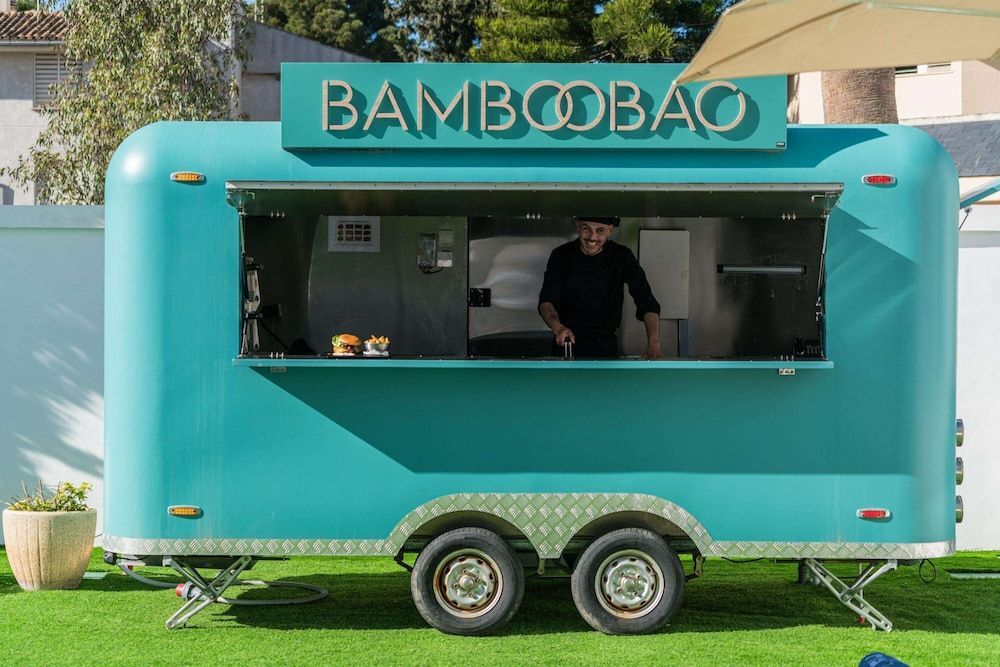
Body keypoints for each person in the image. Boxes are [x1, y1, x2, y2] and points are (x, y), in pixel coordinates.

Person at [538, 216, 662, 358]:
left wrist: (654, 342)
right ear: (578, 227)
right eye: (586, 229)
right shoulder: (561, 256)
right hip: (566, 344)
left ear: (610, 230)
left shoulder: (622, 256)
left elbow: (647, 302)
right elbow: (546, 303)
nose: (592, 237)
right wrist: (558, 327)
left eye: (600, 230)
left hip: (606, 346)